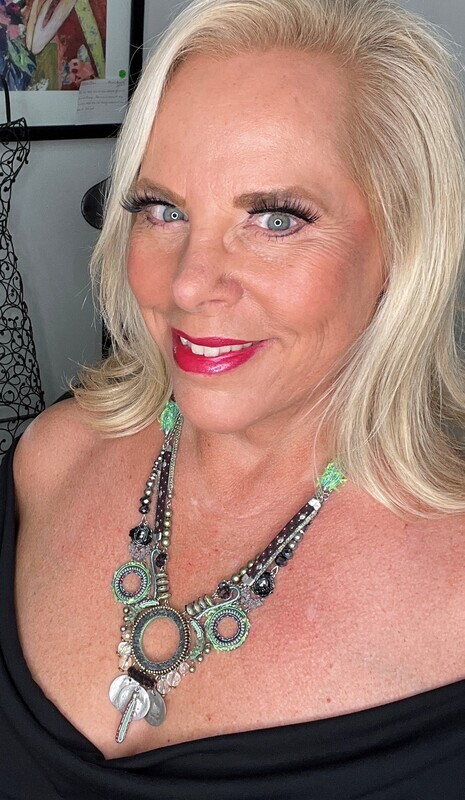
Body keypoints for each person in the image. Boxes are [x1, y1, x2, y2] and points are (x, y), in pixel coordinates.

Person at [1, 0, 465, 796]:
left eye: (275, 219)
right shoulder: (49, 461)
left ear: (403, 245)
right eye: (162, 210)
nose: (187, 284)